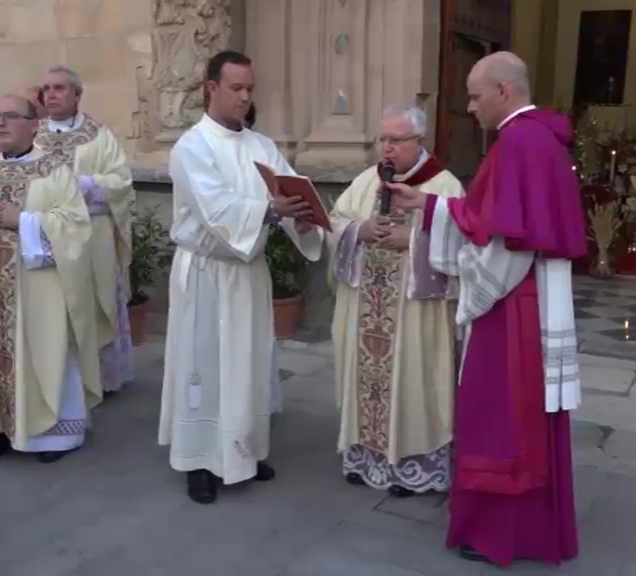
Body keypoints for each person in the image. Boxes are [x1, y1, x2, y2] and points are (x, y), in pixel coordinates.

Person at [386, 52, 583, 567]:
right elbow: (489, 218)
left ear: (503, 90)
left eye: (474, 96)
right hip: (534, 296)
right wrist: (426, 205)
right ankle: (534, 530)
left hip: (511, 303)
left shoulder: (518, 140)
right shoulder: (542, 137)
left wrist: (474, 294)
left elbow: (505, 242)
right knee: (526, 419)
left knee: (500, 419)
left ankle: (500, 534)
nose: (469, 107)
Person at [159, 50, 323, 504]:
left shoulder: (261, 146)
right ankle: (199, 461)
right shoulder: (192, 147)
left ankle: (245, 450)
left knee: (249, 363)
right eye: (236, 88)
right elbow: (216, 212)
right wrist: (272, 211)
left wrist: (303, 218)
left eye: (250, 89)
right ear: (211, 88)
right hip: (208, 273)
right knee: (206, 366)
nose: (245, 97)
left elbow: (288, 188)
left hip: (248, 273)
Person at [0, 94, 102, 463]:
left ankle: (51, 437)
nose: (0, 123)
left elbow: (76, 225)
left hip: (37, 293)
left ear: (35, 125)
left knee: (44, 352)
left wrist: (24, 221)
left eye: (10, 116)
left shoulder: (55, 171)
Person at [328, 103, 463, 497]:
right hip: (367, 306)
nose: (387, 149)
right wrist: (358, 229)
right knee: (365, 381)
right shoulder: (367, 181)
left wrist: (416, 242)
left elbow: (464, 243)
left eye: (397, 140)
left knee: (414, 382)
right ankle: (364, 456)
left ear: (419, 140)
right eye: (382, 139)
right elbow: (335, 221)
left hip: (416, 313)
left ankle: (411, 465)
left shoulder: (444, 186)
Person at [37, 66, 136, 396]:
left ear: (78, 94)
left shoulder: (99, 135)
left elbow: (122, 182)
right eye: (47, 88)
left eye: (59, 88)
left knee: (95, 304)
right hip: (47, 236)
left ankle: (100, 379)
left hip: (93, 235)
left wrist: (85, 184)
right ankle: (62, 381)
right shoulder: (33, 137)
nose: (51, 94)